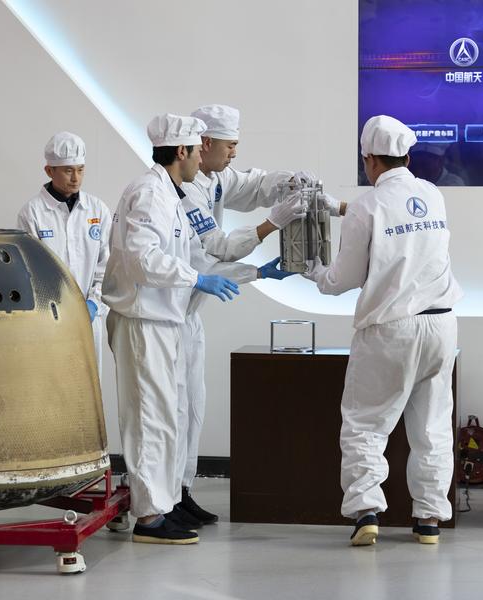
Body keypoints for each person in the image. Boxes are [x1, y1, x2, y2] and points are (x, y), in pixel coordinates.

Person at [104, 113, 281, 545]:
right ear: (181, 151)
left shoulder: (173, 194)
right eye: (198, 151)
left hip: (164, 319)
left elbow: (198, 257)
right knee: (149, 419)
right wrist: (196, 279)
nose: (203, 158)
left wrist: (255, 272)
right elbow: (143, 259)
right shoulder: (149, 194)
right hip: (143, 320)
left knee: (168, 418)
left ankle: (162, 505)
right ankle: (149, 518)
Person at [303, 115, 462, 546]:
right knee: (432, 426)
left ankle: (366, 513)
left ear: (369, 160)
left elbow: (342, 279)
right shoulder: (432, 194)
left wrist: (312, 270)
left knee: (366, 423)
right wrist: (344, 208)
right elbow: (400, 227)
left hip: (390, 329)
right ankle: (429, 518)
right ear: (407, 158)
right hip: (441, 325)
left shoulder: (367, 206)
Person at [176, 104, 326, 523]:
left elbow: (255, 184)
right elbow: (217, 251)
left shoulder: (214, 178)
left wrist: (288, 182)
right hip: (163, 317)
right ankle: (159, 502)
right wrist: (269, 227)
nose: (234, 153)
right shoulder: (183, 192)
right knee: (169, 413)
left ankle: (181, 491)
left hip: (188, 314)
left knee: (192, 408)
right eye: (230, 145)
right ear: (204, 143)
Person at [17, 132, 111, 375]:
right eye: (68, 171)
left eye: (80, 170)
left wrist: (94, 303)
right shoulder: (32, 213)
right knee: (53, 383)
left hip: (90, 317)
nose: (76, 178)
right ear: (49, 171)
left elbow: (107, 266)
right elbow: (28, 272)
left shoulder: (97, 210)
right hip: (49, 317)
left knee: (89, 384)